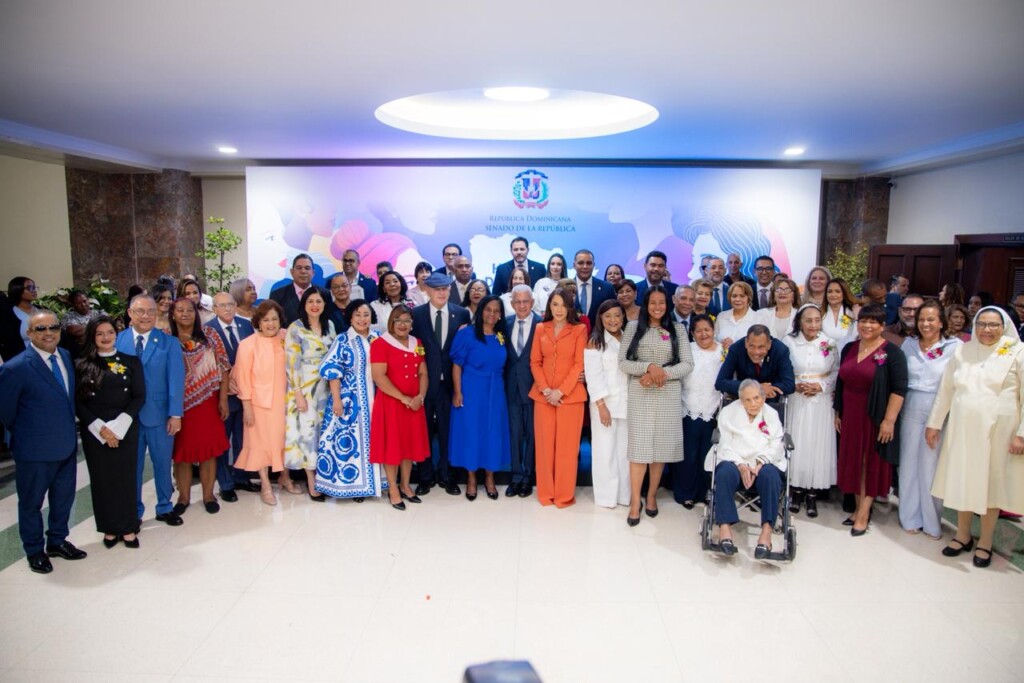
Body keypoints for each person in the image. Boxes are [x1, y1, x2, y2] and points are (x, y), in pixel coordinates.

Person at [926, 306, 1024, 568]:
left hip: (1000, 432)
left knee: (991, 486)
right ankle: (962, 535)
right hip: (963, 429)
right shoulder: (963, 350)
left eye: (993, 325)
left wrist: (1022, 435)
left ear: (1003, 326)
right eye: (982, 324)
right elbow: (946, 389)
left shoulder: (1017, 352)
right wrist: (934, 423)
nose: (987, 330)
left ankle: (986, 541)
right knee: (963, 480)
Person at [0, 311, 87, 573]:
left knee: (63, 498)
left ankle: (58, 541)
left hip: (66, 444)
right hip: (34, 449)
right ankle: (35, 550)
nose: (48, 332)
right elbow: (6, 412)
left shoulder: (65, 356)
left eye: (53, 327)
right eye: (40, 329)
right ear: (29, 334)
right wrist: (30, 433)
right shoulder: (16, 368)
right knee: (31, 503)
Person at [619, 286, 694, 525]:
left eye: (662, 302)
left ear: (668, 304)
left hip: (667, 394)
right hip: (640, 393)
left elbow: (687, 364)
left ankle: (651, 496)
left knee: (659, 450)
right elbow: (623, 362)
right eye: (653, 303)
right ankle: (634, 502)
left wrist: (660, 374)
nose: (658, 307)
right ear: (646, 304)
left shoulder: (678, 330)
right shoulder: (632, 327)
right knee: (639, 451)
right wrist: (648, 367)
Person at [834, 303, 908, 536]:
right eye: (863, 320)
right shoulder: (849, 348)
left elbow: (899, 389)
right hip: (850, 414)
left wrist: (889, 420)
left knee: (869, 463)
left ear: (882, 325)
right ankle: (857, 508)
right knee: (854, 462)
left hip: (874, 415)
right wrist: (838, 411)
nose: (867, 325)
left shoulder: (892, 352)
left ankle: (865, 513)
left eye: (873, 321)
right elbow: (840, 381)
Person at [75, 315, 146, 548]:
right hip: (95, 431)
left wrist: (119, 427)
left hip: (125, 428)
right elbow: (79, 402)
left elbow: (138, 396)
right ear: (92, 336)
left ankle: (128, 527)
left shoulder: (131, 361)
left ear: (116, 334)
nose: (106, 337)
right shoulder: (82, 364)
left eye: (110, 333)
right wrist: (102, 430)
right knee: (102, 480)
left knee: (126, 478)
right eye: (100, 333)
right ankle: (108, 527)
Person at [116, 295, 185, 526]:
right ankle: (133, 510)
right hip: (127, 418)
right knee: (131, 467)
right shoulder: (118, 341)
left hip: (160, 414)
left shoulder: (169, 343)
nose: (145, 316)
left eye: (150, 311)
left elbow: (176, 380)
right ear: (130, 313)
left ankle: (164, 506)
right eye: (140, 311)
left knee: (162, 463)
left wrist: (176, 414)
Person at [899, 299, 960, 538]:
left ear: (941, 322)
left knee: (931, 466)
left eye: (931, 319)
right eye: (922, 319)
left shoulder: (954, 347)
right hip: (911, 406)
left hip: (939, 408)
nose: (925, 324)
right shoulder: (909, 345)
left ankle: (932, 521)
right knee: (909, 464)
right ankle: (909, 516)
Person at [704, 379, 786, 558]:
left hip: (762, 463)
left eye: (756, 398)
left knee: (771, 476)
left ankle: (766, 532)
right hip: (734, 460)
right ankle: (725, 530)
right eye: (748, 399)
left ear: (763, 398)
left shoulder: (771, 414)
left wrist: (760, 463)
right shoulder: (728, 412)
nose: (753, 403)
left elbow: (777, 443)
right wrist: (740, 464)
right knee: (724, 473)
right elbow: (724, 442)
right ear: (741, 400)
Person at [315, 300, 384, 500]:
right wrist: (337, 399)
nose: (362, 319)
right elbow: (332, 370)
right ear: (350, 318)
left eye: (366, 314)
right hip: (350, 400)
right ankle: (354, 486)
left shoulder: (378, 339)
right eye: (357, 315)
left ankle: (376, 483)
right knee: (351, 442)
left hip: (376, 398)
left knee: (374, 440)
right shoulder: (343, 340)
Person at [411, 271, 471, 495]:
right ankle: (425, 476)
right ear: (427, 290)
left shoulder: (462, 314)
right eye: (437, 289)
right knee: (424, 431)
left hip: (450, 385)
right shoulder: (416, 315)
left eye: (445, 289)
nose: (442, 293)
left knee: (448, 432)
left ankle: (447, 475)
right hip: (424, 384)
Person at [169, 298, 230, 515]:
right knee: (181, 453)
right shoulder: (167, 339)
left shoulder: (210, 335)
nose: (185, 313)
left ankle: (208, 495)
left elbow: (223, 366)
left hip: (208, 403)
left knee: (208, 451)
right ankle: (183, 498)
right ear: (173, 313)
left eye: (190, 310)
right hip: (178, 406)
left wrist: (223, 399)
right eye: (180, 310)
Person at [530, 288, 588, 507]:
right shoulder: (540, 328)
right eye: (555, 304)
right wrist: (546, 390)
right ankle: (546, 494)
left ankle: (563, 496)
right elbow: (535, 362)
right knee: (544, 448)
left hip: (570, 397)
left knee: (566, 449)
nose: (559, 309)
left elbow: (578, 364)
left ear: (570, 307)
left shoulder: (579, 329)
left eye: (564, 305)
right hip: (543, 396)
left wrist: (560, 392)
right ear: (549, 306)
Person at [449, 296, 510, 500]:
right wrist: (458, 392)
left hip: (495, 390)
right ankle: (472, 478)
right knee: (472, 432)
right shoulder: (466, 333)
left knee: (492, 432)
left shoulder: (501, 334)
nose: (492, 314)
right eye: (488, 310)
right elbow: (456, 365)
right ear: (481, 310)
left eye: (496, 310)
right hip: (472, 389)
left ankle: (490, 477)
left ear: (501, 314)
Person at [370, 305, 429, 510]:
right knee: (392, 447)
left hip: (414, 404)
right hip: (392, 403)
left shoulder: (417, 343)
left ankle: (405, 485)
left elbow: (423, 372)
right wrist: (404, 398)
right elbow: (379, 377)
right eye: (399, 321)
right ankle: (393, 489)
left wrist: (420, 396)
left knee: (408, 446)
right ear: (391, 322)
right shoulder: (380, 343)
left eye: (407, 321)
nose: (403, 325)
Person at [783, 303, 839, 517]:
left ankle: (812, 493)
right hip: (797, 398)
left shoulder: (830, 343)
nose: (813, 324)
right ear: (799, 321)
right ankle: (795, 490)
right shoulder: (788, 342)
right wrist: (794, 384)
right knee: (798, 441)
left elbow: (836, 371)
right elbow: (782, 368)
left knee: (817, 444)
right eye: (808, 320)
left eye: (817, 320)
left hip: (821, 401)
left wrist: (821, 386)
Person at [284, 287, 337, 500]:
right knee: (307, 434)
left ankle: (324, 476)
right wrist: (297, 393)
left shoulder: (330, 326)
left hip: (326, 388)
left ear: (325, 305)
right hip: (304, 387)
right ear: (304, 304)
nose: (315, 305)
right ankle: (311, 480)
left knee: (323, 432)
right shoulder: (295, 329)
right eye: (310, 301)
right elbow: (291, 364)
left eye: (319, 301)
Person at [204, 292, 258, 501]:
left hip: (245, 393)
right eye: (222, 306)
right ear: (214, 309)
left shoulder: (246, 326)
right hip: (222, 395)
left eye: (230, 305)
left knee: (243, 438)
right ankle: (225, 484)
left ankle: (241, 477)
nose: (227, 309)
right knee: (223, 441)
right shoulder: (208, 330)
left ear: (236, 306)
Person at [233, 300, 287, 505]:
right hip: (259, 404)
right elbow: (242, 377)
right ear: (258, 322)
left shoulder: (286, 338)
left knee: (283, 441)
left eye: (274, 319)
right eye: (266, 320)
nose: (271, 324)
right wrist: (247, 406)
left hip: (284, 401)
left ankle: (284, 477)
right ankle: (265, 485)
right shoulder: (248, 344)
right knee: (260, 444)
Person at [674, 314, 722, 508]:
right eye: (699, 330)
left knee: (707, 453)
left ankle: (705, 492)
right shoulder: (687, 350)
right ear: (692, 333)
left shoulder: (723, 350)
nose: (704, 334)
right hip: (688, 407)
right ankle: (685, 493)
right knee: (689, 454)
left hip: (713, 409)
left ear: (713, 330)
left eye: (707, 330)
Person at [585, 300, 630, 508]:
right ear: (601, 319)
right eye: (608, 316)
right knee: (605, 452)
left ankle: (623, 496)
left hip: (627, 405)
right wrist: (601, 405)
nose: (613, 320)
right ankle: (606, 497)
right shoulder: (595, 341)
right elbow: (593, 377)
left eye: (617, 315)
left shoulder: (629, 339)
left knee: (624, 454)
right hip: (605, 405)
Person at [505, 284, 540, 497]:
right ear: (511, 304)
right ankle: (516, 476)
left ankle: (528, 477)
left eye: (525, 301)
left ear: (532, 303)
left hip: (535, 388)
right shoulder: (505, 324)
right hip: (510, 388)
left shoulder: (542, 324)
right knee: (515, 434)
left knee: (533, 435)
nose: (521, 305)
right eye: (517, 302)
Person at [715, 325, 795, 400]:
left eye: (761, 347)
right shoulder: (736, 349)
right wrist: (756, 388)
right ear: (746, 343)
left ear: (769, 344)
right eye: (752, 346)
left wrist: (768, 389)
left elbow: (789, 385)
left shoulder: (780, 350)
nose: (756, 352)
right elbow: (720, 382)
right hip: (744, 401)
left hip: (771, 403)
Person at [270, 253, 316, 326]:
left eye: (307, 268)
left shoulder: (323, 294)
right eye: (299, 268)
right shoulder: (277, 295)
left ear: (313, 273)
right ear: (292, 272)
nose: (303, 271)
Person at [573, 249, 615, 326]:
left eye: (589, 263)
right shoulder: (564, 288)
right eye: (581, 263)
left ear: (593, 265)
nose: (585, 266)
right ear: (574, 265)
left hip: (599, 336)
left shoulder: (607, 288)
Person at [714, 282, 756, 350]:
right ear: (729, 298)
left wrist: (735, 344)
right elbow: (713, 340)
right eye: (734, 296)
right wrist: (720, 344)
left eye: (742, 296)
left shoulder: (759, 318)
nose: (737, 299)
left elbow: (761, 345)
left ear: (749, 298)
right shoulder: (721, 316)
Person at [60, 289, 100, 355]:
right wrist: (98, 328)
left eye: (85, 301)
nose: (83, 305)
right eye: (78, 303)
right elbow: (75, 331)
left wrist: (86, 333)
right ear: (73, 305)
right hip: (81, 353)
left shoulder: (98, 313)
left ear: (88, 300)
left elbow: (110, 327)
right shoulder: (68, 317)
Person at [823, 277, 860, 348]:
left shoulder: (852, 312)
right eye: (830, 291)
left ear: (844, 293)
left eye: (837, 291)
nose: (833, 295)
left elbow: (856, 336)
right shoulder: (820, 313)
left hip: (847, 353)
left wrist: (857, 318)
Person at [7, 276, 42, 349]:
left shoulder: (42, 310)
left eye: (34, 287)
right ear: (17, 290)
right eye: (29, 288)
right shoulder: (9, 314)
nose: (34, 290)